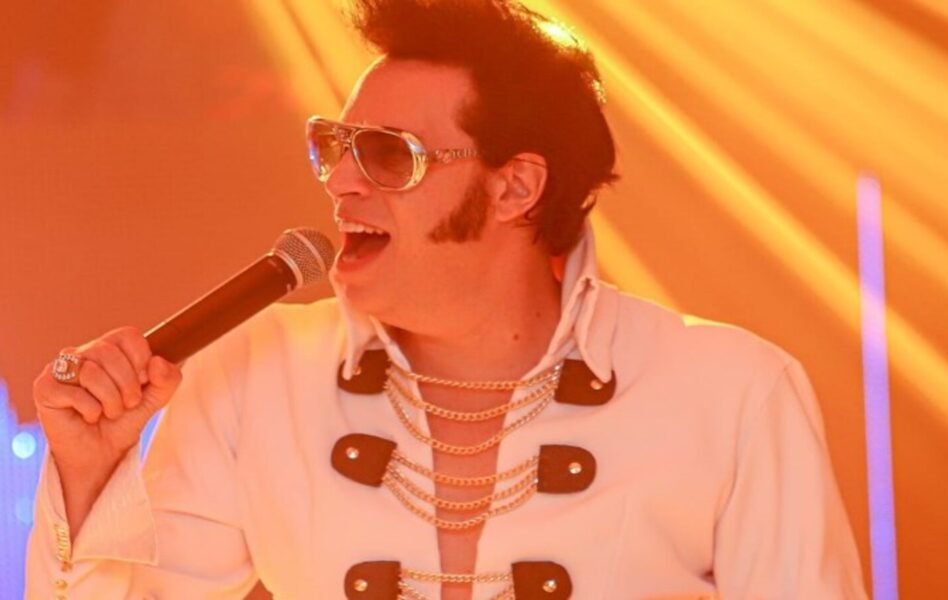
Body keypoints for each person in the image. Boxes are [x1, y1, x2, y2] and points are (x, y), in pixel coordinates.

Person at [25, 1, 867, 598]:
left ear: (515, 188)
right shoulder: (255, 373)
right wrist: (89, 476)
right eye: (335, 147)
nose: (343, 183)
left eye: (389, 154)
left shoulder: (734, 391)